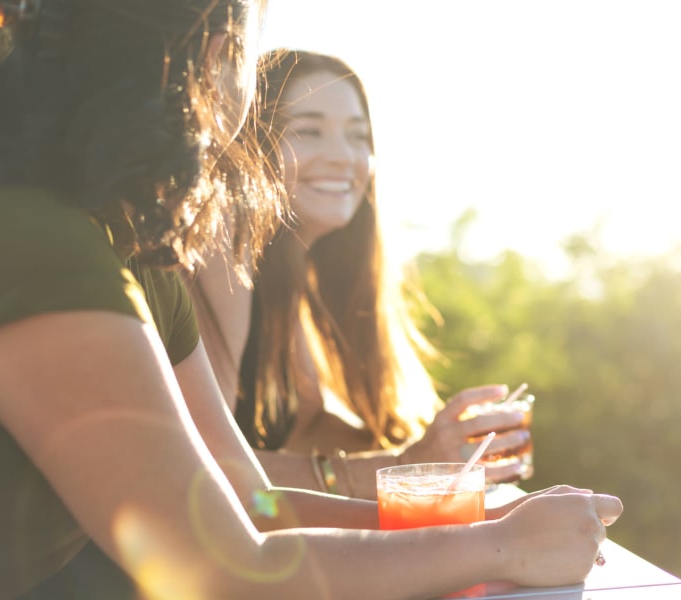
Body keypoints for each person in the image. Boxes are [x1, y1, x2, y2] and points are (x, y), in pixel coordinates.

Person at [0, 1, 622, 599]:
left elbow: (253, 501)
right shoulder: (35, 242)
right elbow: (225, 572)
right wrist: (501, 548)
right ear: (215, 56)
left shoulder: (139, 257)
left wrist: (482, 517)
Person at [188, 49, 531, 499]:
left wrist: (436, 452)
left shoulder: (289, 268)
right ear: (249, 141)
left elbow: (305, 428)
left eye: (358, 137)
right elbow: (205, 464)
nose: (343, 157)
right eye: (308, 131)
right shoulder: (220, 243)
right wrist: (401, 468)